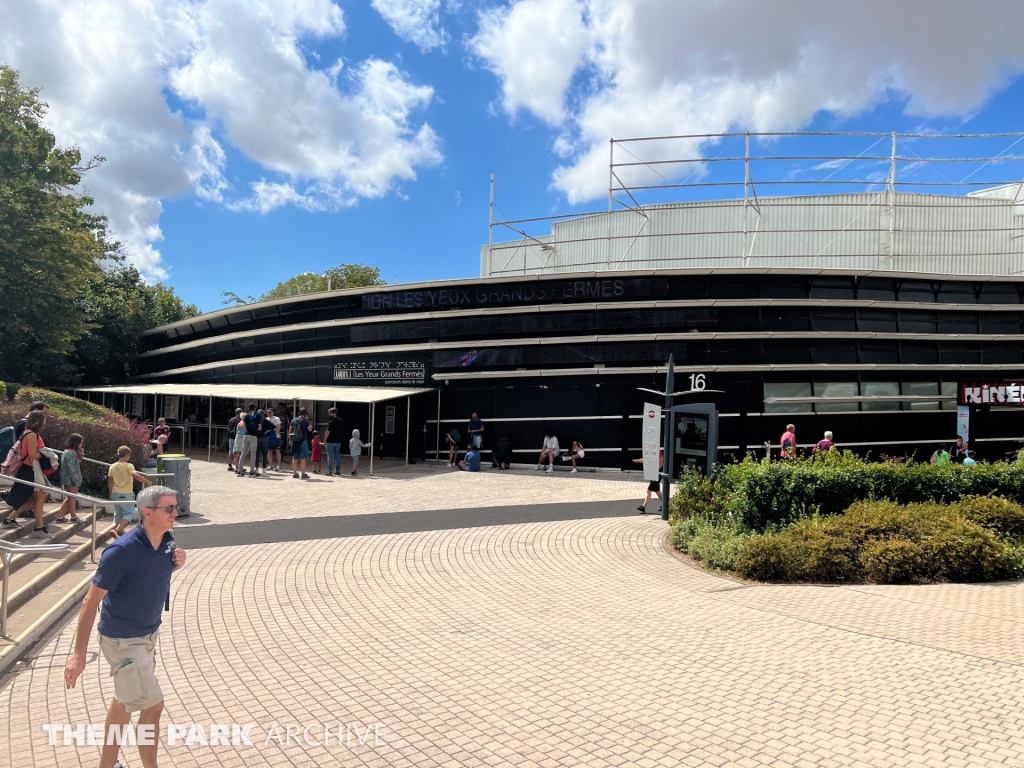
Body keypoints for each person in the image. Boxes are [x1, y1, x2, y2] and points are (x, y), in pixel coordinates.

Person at [64, 485, 187, 768]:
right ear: (147, 512)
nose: (175, 513)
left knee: (124, 701)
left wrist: (174, 565)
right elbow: (89, 603)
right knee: (153, 705)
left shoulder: (167, 539)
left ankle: (107, 765)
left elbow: (147, 573)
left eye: (175, 506)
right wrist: (78, 654)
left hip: (148, 634)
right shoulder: (121, 551)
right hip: (123, 641)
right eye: (168, 508)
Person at [1, 410, 54, 537]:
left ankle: (10, 519)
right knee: (38, 498)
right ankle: (39, 528)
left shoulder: (27, 432)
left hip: (28, 470)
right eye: (44, 419)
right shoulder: (32, 435)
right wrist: (45, 455)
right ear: (39, 421)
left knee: (34, 498)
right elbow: (32, 454)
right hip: (30, 470)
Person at [108, 446, 153, 539]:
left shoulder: (112, 466)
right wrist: (147, 481)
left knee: (118, 513)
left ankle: (119, 532)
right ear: (127, 455)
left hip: (116, 492)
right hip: (126, 493)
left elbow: (110, 481)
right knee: (130, 513)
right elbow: (135, 475)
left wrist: (111, 493)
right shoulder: (129, 466)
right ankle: (118, 530)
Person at [56, 433, 85, 523]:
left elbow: (76, 462)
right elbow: (73, 468)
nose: (81, 445)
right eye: (80, 443)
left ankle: (60, 516)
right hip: (71, 479)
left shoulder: (66, 451)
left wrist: (81, 454)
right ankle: (73, 516)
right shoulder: (71, 453)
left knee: (69, 497)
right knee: (72, 498)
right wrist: (77, 480)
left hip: (66, 478)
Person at [632, 449, 664, 514]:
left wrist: (654, 468)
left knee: (649, 490)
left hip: (657, 474)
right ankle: (666, 505)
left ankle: (643, 507)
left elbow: (660, 465)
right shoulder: (651, 451)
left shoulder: (659, 452)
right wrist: (638, 460)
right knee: (657, 491)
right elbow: (646, 459)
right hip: (652, 473)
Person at [237, 404, 262, 477]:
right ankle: (252, 471)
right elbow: (260, 428)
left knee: (243, 453)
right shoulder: (257, 416)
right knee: (253, 454)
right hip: (253, 436)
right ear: (255, 409)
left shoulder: (246, 416)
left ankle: (240, 471)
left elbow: (241, 426)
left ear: (248, 408)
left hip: (246, 435)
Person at [290, 407, 313, 478]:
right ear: (305, 414)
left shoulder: (293, 420)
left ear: (298, 413)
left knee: (295, 458)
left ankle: (295, 473)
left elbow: (290, 430)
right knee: (303, 458)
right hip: (303, 440)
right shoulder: (305, 421)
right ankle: (303, 473)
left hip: (294, 440)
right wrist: (307, 420)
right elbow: (310, 429)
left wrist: (290, 440)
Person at [323, 408, 345, 476]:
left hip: (331, 441)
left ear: (333, 413)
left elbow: (327, 432)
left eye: (330, 413)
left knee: (330, 456)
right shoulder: (340, 421)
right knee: (337, 456)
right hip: (338, 441)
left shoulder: (331, 422)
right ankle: (338, 470)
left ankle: (330, 471)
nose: (329, 414)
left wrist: (325, 440)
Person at [266, 407, 282, 471]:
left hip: (276, 437)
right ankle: (270, 465)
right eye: (267, 412)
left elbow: (278, 427)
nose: (268, 413)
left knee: (277, 450)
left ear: (273, 412)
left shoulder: (277, 418)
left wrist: (275, 434)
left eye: (269, 412)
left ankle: (279, 465)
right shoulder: (266, 419)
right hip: (268, 437)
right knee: (269, 451)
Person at [226, 407, 242, 472]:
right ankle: (237, 466)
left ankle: (229, 465)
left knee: (230, 452)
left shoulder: (231, 419)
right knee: (237, 453)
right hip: (237, 437)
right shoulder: (240, 420)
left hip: (231, 437)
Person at [255, 409, 270, 474]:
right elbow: (271, 428)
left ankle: (256, 468)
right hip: (264, 437)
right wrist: (266, 432)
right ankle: (264, 468)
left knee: (257, 454)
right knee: (264, 454)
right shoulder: (266, 421)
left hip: (257, 437)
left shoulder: (255, 421)